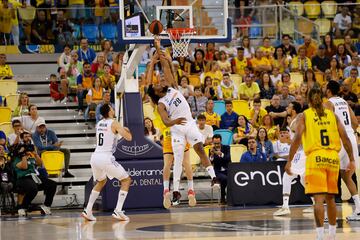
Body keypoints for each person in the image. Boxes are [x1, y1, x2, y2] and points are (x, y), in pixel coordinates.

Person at [285, 87, 355, 240]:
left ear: (308, 100)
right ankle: (332, 235)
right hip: (332, 158)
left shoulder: (305, 115)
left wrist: (290, 160)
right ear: (323, 98)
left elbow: (297, 139)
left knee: (318, 200)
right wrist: (352, 159)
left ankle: (320, 236)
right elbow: (346, 139)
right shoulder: (333, 115)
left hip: (315, 158)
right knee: (330, 199)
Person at [82, 104, 133, 221]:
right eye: (112, 108)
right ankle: (118, 210)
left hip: (95, 157)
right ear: (110, 112)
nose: (113, 109)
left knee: (101, 182)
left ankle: (88, 210)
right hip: (105, 157)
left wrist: (120, 131)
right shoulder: (114, 122)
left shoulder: (99, 123)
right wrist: (127, 131)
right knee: (126, 180)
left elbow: (109, 138)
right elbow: (129, 138)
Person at [324, 80, 360, 221]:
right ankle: (358, 209)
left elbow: (328, 124)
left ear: (328, 91)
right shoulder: (344, 102)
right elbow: (356, 123)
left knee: (329, 174)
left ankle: (328, 213)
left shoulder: (328, 103)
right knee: (346, 176)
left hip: (339, 139)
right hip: (351, 137)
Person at [273, 101, 314, 216]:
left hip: (302, 153)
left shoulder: (297, 121)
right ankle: (316, 204)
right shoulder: (294, 120)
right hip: (306, 152)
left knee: (287, 175)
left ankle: (285, 207)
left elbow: (299, 140)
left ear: (294, 109)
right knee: (303, 179)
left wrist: (288, 141)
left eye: (289, 107)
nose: (287, 108)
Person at [13, 131, 57, 217]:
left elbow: (40, 164)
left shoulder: (31, 156)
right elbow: (25, 167)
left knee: (52, 184)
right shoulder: (16, 159)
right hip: (22, 179)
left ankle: (46, 206)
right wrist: (23, 155)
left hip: (34, 177)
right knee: (33, 188)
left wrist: (35, 154)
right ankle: (22, 207)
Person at [209, 134, 231, 204]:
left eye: (218, 143)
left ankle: (229, 197)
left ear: (221, 141)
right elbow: (210, 162)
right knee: (224, 179)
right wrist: (212, 155)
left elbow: (228, 158)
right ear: (212, 142)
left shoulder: (227, 148)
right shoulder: (211, 149)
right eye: (215, 143)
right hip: (217, 171)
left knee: (230, 178)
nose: (216, 145)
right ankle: (223, 197)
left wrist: (221, 154)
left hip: (228, 169)